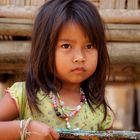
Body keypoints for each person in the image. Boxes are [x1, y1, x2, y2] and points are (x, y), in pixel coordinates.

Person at [0, 0, 113, 139]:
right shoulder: (24, 95)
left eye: (89, 46)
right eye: (66, 46)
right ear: (44, 49)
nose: (80, 57)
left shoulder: (99, 109)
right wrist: (24, 128)